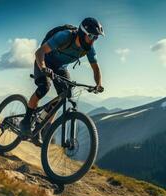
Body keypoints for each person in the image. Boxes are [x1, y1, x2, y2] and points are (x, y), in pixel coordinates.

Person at [20, 17, 105, 145]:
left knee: (65, 94)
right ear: (83, 33)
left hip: (60, 67)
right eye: (92, 36)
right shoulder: (65, 36)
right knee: (44, 87)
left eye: (96, 38)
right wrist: (43, 68)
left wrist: (98, 84)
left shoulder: (89, 49)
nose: (93, 40)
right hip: (44, 60)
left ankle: (42, 124)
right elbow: (40, 52)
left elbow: (96, 69)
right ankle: (25, 121)